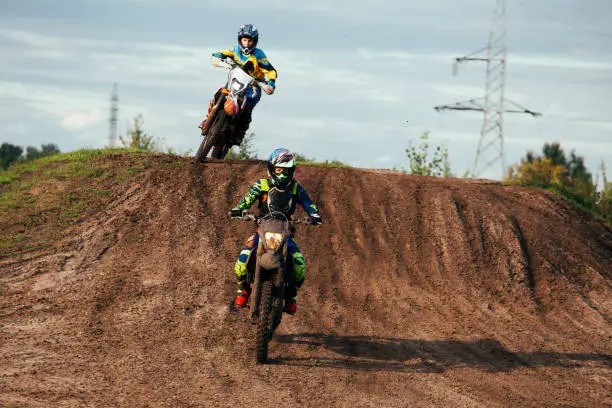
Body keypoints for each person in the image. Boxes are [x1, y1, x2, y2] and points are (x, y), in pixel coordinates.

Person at [230, 148, 322, 314]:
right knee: (241, 262)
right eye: (279, 170)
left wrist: (314, 214)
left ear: (291, 172)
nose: (282, 174)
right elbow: (247, 199)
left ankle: (291, 296)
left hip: (285, 233)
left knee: (300, 266)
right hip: (262, 230)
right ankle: (243, 289)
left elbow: (308, 203)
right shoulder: (262, 184)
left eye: (286, 171)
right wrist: (238, 209)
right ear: (272, 169)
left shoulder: (295, 188)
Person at [199, 24, 277, 146]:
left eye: (250, 41)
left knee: (247, 105)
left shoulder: (259, 55)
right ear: (240, 39)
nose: (246, 43)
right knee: (219, 92)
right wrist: (218, 56)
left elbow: (271, 70)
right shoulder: (235, 50)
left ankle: (239, 133)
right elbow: (223, 53)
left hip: (253, 86)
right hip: (235, 82)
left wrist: (271, 82)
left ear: (254, 41)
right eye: (244, 40)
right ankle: (208, 118)